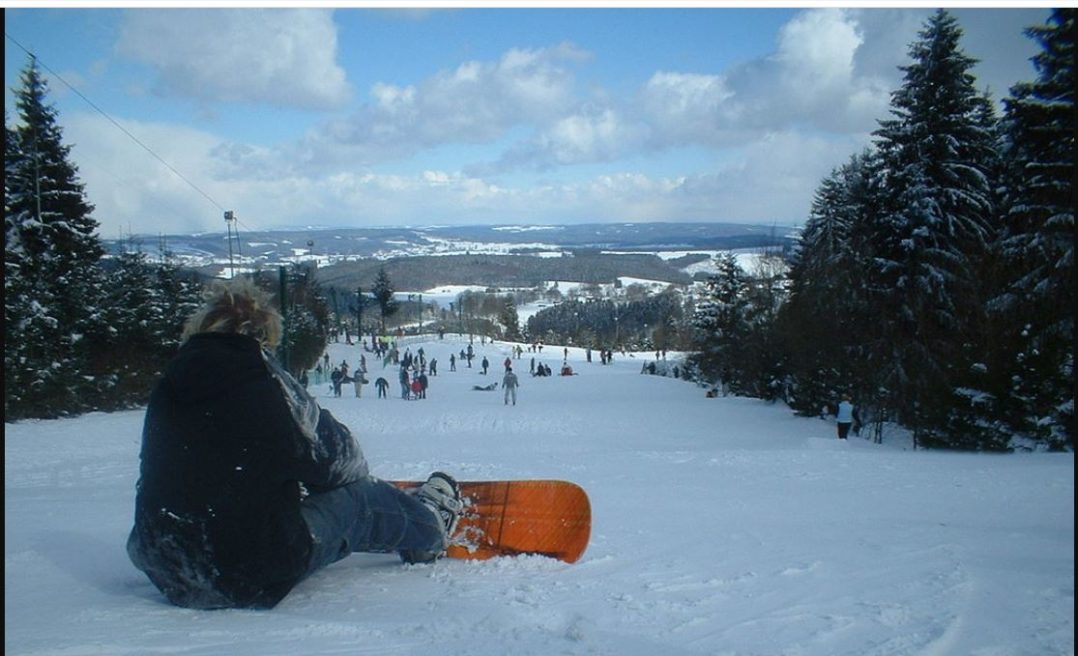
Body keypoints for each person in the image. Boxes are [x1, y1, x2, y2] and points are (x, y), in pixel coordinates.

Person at [126, 278, 463, 610]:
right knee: (362, 500)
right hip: (244, 576)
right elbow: (342, 461)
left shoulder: (170, 383)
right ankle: (429, 530)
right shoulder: (265, 381)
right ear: (264, 334)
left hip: (166, 566)